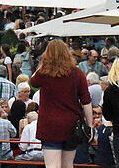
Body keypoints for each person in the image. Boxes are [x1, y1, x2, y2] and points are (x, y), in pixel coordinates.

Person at [29, 39, 93, 168]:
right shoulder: (77, 73)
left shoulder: (43, 73)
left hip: (49, 124)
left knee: (52, 165)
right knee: (68, 164)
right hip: (71, 124)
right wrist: (90, 124)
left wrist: (43, 64)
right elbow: (86, 101)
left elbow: (32, 83)